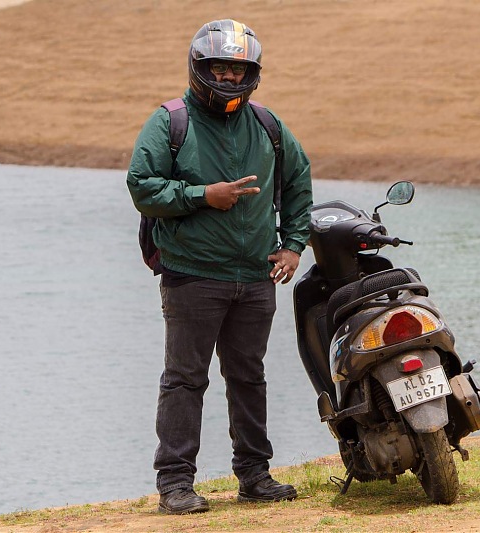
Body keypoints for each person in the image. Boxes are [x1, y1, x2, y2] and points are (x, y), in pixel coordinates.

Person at [126, 19, 313, 514]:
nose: (229, 78)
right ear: (198, 68)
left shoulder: (269, 125)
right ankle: (175, 485)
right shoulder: (170, 121)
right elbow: (142, 186)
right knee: (185, 379)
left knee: (248, 376)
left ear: (251, 73)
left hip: (256, 277)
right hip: (192, 276)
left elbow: (299, 182)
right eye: (220, 69)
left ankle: (254, 476)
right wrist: (202, 196)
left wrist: (293, 245)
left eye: (238, 69)